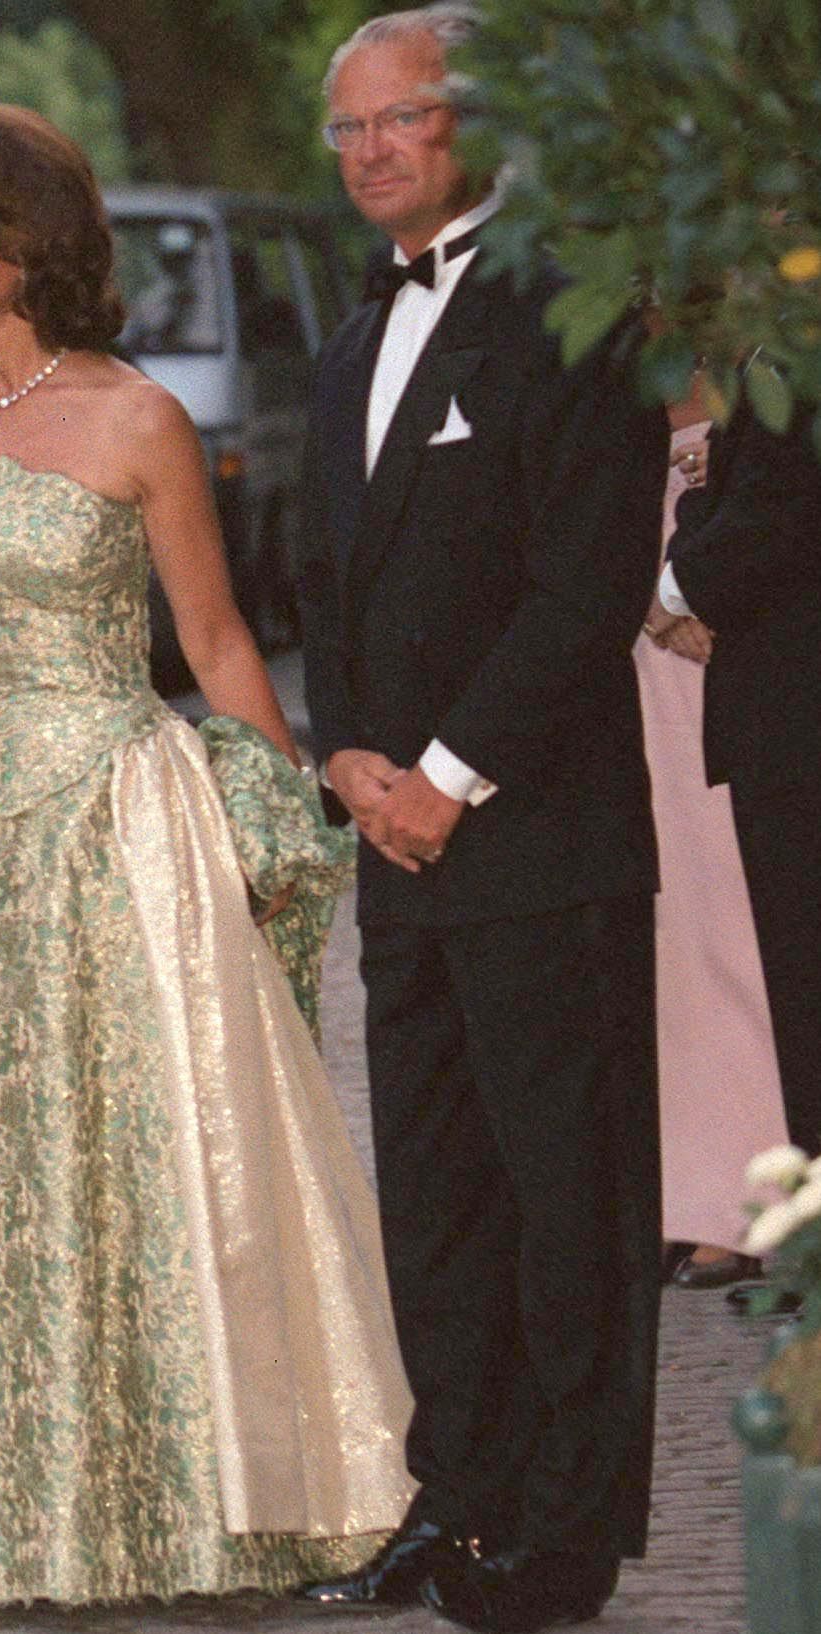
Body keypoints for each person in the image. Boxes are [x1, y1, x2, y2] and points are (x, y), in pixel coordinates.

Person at [0, 102, 413, 1609]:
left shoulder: (136, 421)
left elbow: (219, 640)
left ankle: (169, 1503)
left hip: (119, 826)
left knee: (143, 1160)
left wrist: (275, 819)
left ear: (21, 242)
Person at [292, 9, 667, 1631]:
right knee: (435, 1190)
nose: (374, 150)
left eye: (403, 120)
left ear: (475, 128)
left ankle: (563, 1535)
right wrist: (351, 760)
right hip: (395, 836)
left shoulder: (573, 310)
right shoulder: (344, 337)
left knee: (565, 1196)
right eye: (348, 129)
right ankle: (453, 1500)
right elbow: (325, 585)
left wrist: (446, 773)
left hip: (538, 837)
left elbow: (584, 582)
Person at [638, 391, 784, 1290]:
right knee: (674, 920)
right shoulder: (588, 345)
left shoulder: (761, 350)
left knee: (737, 910)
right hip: (634, 650)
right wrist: (646, 601)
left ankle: (760, 1190)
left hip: (739, 642)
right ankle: (691, 1190)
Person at [661, 385, 821, 1177]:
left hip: (792, 721)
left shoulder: (790, 363)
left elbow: (770, 520)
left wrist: (670, 581)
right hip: (778, 721)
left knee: (799, 976)